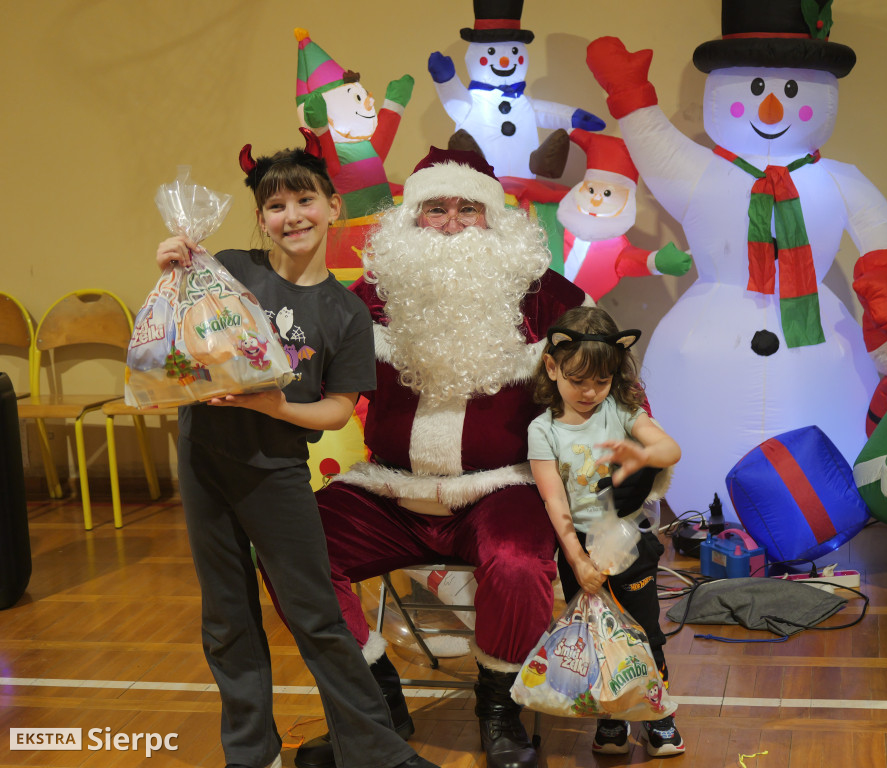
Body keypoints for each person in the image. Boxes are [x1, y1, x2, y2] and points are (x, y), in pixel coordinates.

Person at [293, 146, 587, 768]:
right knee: (291, 544)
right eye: (435, 209)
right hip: (387, 490)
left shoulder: (548, 301)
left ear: (494, 219)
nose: (452, 224)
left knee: (517, 560)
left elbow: (606, 385)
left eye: (468, 209)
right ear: (411, 219)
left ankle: (500, 707)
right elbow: (307, 371)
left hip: (501, 488)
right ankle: (372, 706)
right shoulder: (367, 299)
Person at [155, 128, 437, 768]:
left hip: (276, 471)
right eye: (276, 206)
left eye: (304, 200)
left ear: (333, 206)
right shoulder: (230, 268)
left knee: (316, 615)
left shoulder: (346, 312)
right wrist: (172, 267)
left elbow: (337, 407)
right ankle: (250, 753)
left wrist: (276, 408)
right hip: (203, 459)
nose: (292, 216)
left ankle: (376, 752)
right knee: (226, 617)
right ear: (261, 219)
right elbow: (182, 335)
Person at [527, 305, 684, 758]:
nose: (591, 391)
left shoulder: (621, 410)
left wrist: (645, 456)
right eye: (578, 380)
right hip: (581, 549)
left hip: (630, 543)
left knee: (645, 631)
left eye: (602, 380)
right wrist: (576, 559)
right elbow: (555, 502)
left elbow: (670, 449)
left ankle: (657, 716)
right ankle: (611, 717)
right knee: (597, 635)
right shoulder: (543, 430)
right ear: (552, 366)